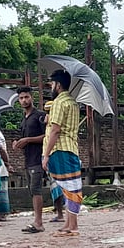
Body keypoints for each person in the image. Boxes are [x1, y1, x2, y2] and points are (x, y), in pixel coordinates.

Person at [42, 69, 84, 237]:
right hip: (71, 147)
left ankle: (73, 225)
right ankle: (69, 223)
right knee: (70, 186)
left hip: (60, 148)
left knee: (70, 187)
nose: (51, 87)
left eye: (52, 84)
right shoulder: (73, 102)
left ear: (58, 85)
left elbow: (55, 130)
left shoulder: (59, 102)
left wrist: (46, 154)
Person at [13, 87, 49, 233]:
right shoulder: (24, 119)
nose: (24, 100)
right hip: (27, 159)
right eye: (21, 98)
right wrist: (18, 143)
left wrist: (28, 140)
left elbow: (47, 136)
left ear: (31, 97)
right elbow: (23, 139)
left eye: (26, 97)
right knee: (32, 191)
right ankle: (37, 220)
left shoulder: (40, 116)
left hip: (38, 158)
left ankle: (38, 222)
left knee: (36, 189)